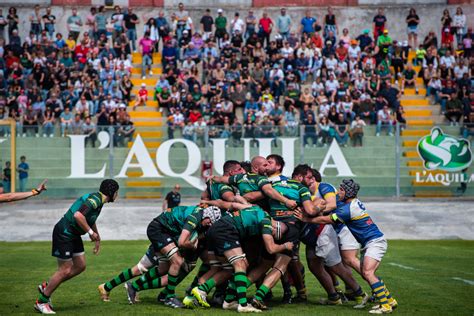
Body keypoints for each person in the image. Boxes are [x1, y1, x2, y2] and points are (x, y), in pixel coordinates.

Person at [296, 179, 398, 314]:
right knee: (368, 273)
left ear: (348, 192)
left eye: (342, 190)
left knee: (367, 273)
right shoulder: (349, 204)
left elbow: (326, 220)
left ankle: (385, 306)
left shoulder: (348, 209)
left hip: (375, 242)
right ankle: (390, 300)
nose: (339, 192)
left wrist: (306, 219)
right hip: (370, 242)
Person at [35, 180, 120, 314]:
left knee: (80, 265)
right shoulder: (94, 201)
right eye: (116, 192)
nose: (117, 195)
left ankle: (47, 286)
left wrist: (97, 236)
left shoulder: (99, 200)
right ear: (111, 192)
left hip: (73, 234)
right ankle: (42, 301)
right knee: (65, 269)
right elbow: (78, 215)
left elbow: (89, 218)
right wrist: (90, 233)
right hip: (65, 232)